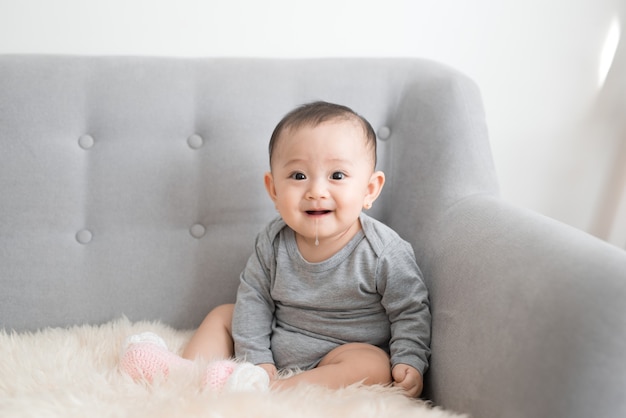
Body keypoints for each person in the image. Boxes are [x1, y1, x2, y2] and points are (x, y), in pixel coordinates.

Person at [120, 101, 431, 398]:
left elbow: (410, 310)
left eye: (337, 176)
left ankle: (274, 392)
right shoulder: (272, 241)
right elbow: (254, 298)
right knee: (223, 315)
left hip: (340, 352)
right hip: (276, 339)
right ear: (274, 190)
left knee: (373, 364)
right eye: (298, 176)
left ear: (369, 189)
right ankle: (184, 375)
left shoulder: (384, 252)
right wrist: (257, 359)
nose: (316, 191)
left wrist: (409, 358)